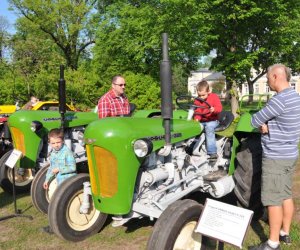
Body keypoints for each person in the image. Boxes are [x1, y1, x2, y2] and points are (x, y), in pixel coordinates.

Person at [251, 64, 300, 250]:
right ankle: (284, 232)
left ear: (275, 76)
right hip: (290, 155)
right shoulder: (296, 97)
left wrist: (265, 125)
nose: (268, 81)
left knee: (273, 200)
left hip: (276, 157)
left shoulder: (279, 101)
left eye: (268, 77)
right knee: (286, 195)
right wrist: (272, 125)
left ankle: (272, 244)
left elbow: (255, 119)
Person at [194, 80, 222, 159]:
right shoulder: (197, 100)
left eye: (203, 95)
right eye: (199, 95)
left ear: (208, 91)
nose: (201, 97)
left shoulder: (214, 97)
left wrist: (214, 109)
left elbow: (219, 108)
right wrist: (196, 119)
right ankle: (192, 147)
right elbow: (197, 112)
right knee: (194, 127)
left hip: (213, 120)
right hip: (203, 121)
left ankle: (212, 152)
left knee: (209, 127)